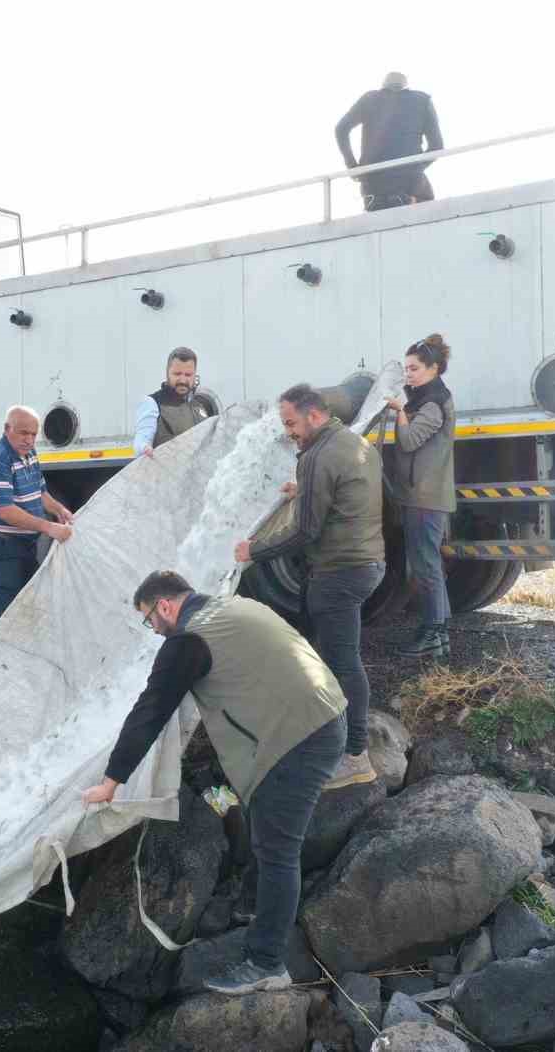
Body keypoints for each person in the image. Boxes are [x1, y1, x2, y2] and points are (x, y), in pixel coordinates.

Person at [83, 570, 347, 996]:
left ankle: (266, 964)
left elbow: (151, 710)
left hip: (299, 736)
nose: (152, 629)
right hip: (323, 713)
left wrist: (112, 780)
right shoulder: (231, 604)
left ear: (164, 606)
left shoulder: (187, 641)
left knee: (279, 851)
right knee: (264, 820)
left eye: (148, 620)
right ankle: (253, 907)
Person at [233, 383, 385, 790]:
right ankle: (326, 737)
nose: (289, 433)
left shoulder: (316, 456)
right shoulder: (355, 443)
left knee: (343, 662)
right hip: (368, 562)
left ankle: (356, 757)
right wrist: (305, 490)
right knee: (329, 656)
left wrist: (255, 550)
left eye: (291, 423)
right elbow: (350, 491)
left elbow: (305, 531)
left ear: (314, 416)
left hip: (338, 570)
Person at [384, 334, 457, 658]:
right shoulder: (427, 398)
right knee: (428, 565)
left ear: (434, 368)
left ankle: (434, 632)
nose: (408, 375)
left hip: (425, 498)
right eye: (406, 369)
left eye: (413, 369)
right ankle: (437, 636)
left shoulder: (433, 403)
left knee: (425, 565)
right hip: (422, 496)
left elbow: (410, 440)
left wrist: (400, 412)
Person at [0, 405, 76, 622]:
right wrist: (50, 527)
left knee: (30, 610)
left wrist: (60, 510)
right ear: (7, 428)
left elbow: (40, 493)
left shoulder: (30, 452)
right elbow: (5, 511)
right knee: (10, 618)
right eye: (23, 433)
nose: (29, 440)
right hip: (0, 547)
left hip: (23, 545)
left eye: (33, 434)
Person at [335, 72, 444, 212]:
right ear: (406, 86)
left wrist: (352, 166)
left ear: (383, 85)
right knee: (427, 203)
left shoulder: (369, 99)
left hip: (373, 186)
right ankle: (409, 200)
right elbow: (437, 146)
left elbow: (341, 129)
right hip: (410, 184)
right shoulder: (423, 101)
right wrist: (414, 167)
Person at [132, 346, 218, 457]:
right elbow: (141, 440)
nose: (182, 380)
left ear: (194, 375)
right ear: (167, 373)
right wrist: (144, 448)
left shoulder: (200, 406)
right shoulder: (152, 403)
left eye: (188, 375)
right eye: (177, 374)